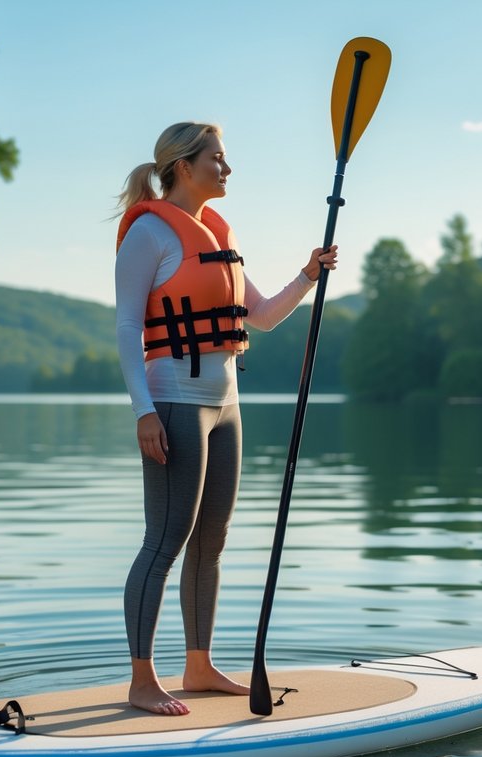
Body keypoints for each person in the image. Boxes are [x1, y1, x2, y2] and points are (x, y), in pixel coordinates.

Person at [114, 122, 337, 716]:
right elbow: (126, 330)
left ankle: (199, 666)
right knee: (164, 541)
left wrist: (308, 277)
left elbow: (260, 316)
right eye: (218, 158)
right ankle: (141, 679)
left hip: (227, 406)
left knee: (210, 542)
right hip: (174, 402)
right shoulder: (151, 234)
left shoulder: (217, 238)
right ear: (184, 167)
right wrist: (143, 412)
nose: (227, 168)